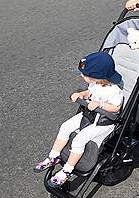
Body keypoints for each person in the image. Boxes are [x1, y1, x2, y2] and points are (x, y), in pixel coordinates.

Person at [34, 51, 129, 186]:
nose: (81, 76)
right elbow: (89, 92)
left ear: (98, 76)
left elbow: (116, 108)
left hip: (103, 122)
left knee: (79, 140)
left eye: (85, 75)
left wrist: (100, 104)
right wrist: (81, 94)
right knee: (65, 127)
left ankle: (67, 170)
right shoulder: (94, 84)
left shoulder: (114, 91)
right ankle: (53, 156)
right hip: (89, 115)